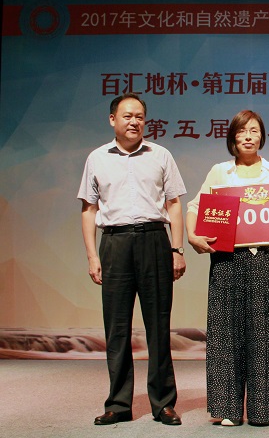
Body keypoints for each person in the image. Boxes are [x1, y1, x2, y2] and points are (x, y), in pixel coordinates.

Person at [186, 109, 269, 427]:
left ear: (262, 136)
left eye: (254, 130)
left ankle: (262, 409)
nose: (248, 136)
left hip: (263, 258)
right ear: (233, 137)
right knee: (224, 331)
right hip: (226, 259)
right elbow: (195, 206)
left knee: (264, 332)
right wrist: (193, 235)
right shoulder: (220, 172)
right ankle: (227, 408)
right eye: (242, 131)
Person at [78, 93, 186, 426]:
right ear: (113, 119)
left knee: (159, 326)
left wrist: (177, 249)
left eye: (139, 116)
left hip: (155, 240)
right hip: (115, 243)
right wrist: (92, 255)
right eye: (127, 116)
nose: (134, 121)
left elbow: (174, 204)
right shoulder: (97, 158)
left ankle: (163, 403)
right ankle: (118, 404)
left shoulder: (161, 155)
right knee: (117, 328)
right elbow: (89, 209)